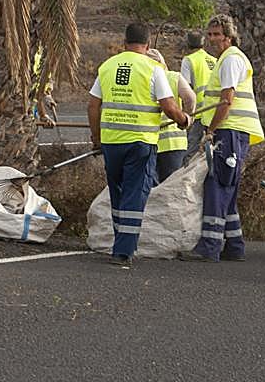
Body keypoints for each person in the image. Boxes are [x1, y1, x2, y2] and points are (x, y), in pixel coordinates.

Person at [88, 23, 189, 266]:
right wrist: (184, 120)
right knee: (135, 193)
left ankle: (119, 240)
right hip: (140, 142)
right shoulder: (153, 69)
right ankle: (123, 250)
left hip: (112, 142)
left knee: (118, 191)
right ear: (147, 45)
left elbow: (93, 105)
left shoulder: (107, 66)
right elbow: (169, 106)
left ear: (124, 43)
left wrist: (97, 138)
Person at [180, 13, 265, 263]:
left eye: (217, 34)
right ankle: (234, 245)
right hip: (233, 131)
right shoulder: (226, 60)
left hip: (229, 130)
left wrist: (210, 131)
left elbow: (226, 100)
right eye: (209, 34)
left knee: (217, 185)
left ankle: (209, 246)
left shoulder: (230, 60)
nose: (212, 39)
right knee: (228, 186)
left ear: (229, 37)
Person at [146, 48, 198, 182]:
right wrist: (188, 118)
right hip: (174, 143)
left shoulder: (142, 78)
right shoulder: (173, 77)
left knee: (150, 187)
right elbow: (191, 98)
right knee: (170, 187)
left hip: (148, 142)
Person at [180, 31, 217, 148]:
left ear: (187, 44)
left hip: (200, 114)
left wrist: (186, 115)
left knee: (191, 150)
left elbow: (186, 89)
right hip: (217, 113)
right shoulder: (214, 60)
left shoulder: (188, 60)